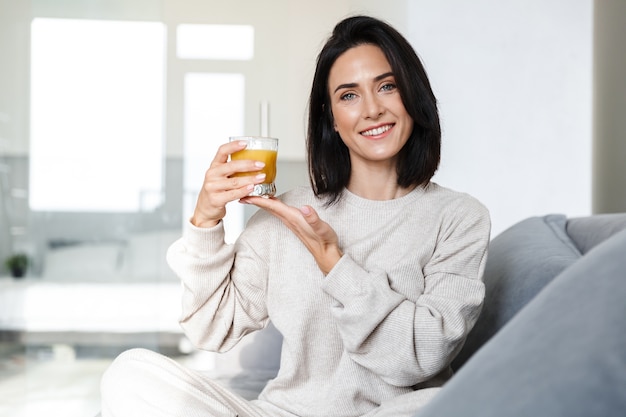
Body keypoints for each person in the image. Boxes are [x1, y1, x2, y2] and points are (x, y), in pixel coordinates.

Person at [100, 15, 490, 417]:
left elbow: (420, 357)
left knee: (440, 404)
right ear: (332, 120)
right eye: (349, 96)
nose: (372, 109)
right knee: (129, 374)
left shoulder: (458, 218)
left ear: (414, 95)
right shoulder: (288, 214)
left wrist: (332, 260)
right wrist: (206, 220)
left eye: (387, 86)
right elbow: (211, 328)